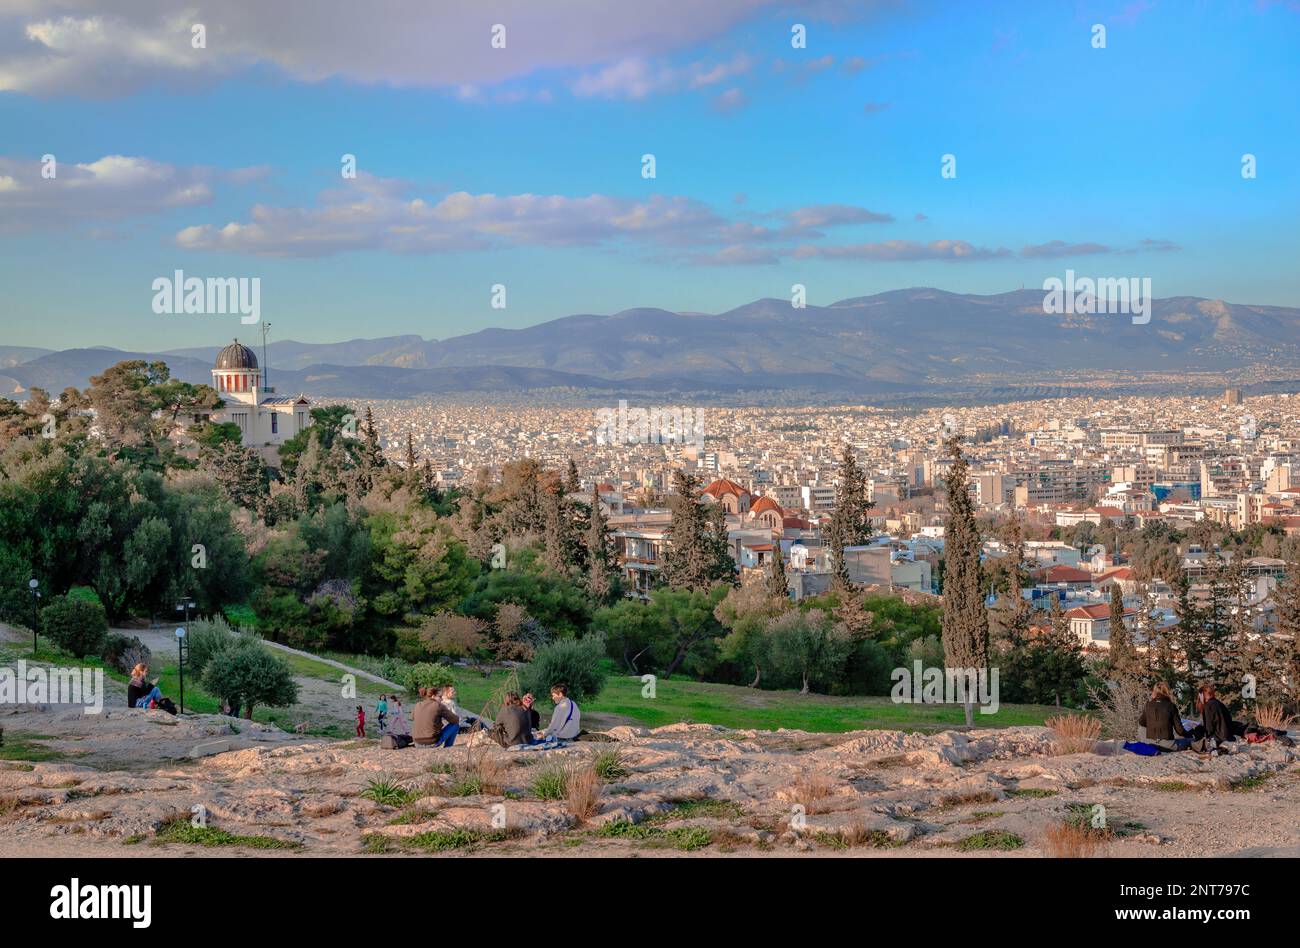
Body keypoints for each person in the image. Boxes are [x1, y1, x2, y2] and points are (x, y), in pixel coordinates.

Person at [1138, 681, 1190, 751]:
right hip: (1168, 745)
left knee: (1142, 727)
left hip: (1150, 743)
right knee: (1189, 740)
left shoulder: (1148, 705)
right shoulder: (1171, 706)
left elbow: (1141, 723)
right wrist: (1189, 734)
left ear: (1154, 692)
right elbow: (1180, 731)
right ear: (1167, 692)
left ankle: (1148, 742)